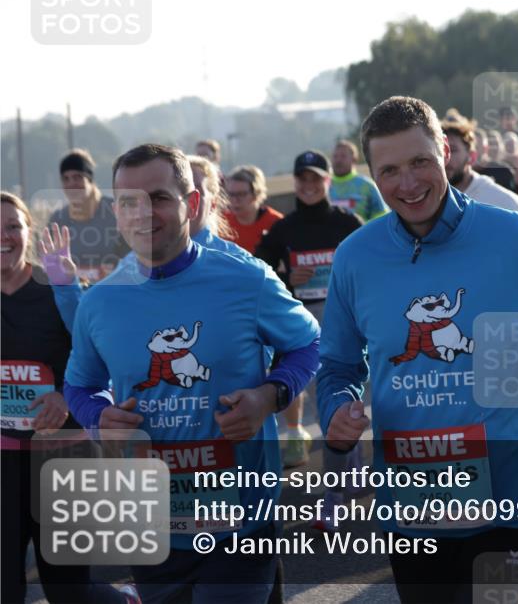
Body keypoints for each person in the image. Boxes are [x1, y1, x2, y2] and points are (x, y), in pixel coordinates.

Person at [317, 95, 518, 603]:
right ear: (371, 175)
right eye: (389, 171)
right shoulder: (355, 257)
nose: (407, 184)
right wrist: (337, 411)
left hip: (507, 487)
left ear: (446, 151)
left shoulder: (516, 236)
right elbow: (338, 365)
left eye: (420, 162)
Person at [63, 144, 320, 603]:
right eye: (128, 201)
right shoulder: (100, 301)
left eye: (159, 197)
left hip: (242, 520)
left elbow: (309, 343)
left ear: (193, 203)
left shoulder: (248, 279)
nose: (144, 213)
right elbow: (81, 385)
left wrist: (269, 396)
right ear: (116, 213)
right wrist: (98, 416)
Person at [1, 193, 140, 604]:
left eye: (13, 226)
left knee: (67, 589)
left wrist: (64, 396)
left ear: (31, 231)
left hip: (63, 454)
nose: (4, 236)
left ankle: (128, 601)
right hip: (4, 457)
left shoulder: (57, 289)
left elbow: (102, 361)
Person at [256, 150, 364, 467]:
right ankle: (294, 437)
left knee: (344, 380)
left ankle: (352, 446)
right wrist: (288, 277)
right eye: (302, 179)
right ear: (295, 182)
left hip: (341, 314)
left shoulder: (347, 223)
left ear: (327, 181)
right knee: (301, 382)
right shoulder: (285, 227)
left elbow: (368, 266)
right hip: (300, 318)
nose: (309, 186)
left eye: (315, 179)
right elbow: (260, 270)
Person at [47, 149, 128, 284]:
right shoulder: (58, 220)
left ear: (90, 179)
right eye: (65, 179)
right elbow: (49, 264)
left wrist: (114, 272)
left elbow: (135, 257)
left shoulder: (115, 211)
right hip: (73, 295)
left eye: (77, 177)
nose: (71, 184)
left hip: (113, 290)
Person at [442, 113, 518, 210]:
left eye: (453, 150)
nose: (445, 157)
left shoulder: (505, 203)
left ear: (471, 156)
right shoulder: (426, 201)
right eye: (439, 150)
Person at [223, 165, 284, 254]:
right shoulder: (222, 223)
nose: (235, 200)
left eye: (241, 194)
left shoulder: (275, 222)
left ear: (256, 194)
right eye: (231, 194)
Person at [328, 140, 389, 221]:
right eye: (335, 156)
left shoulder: (367, 186)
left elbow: (382, 218)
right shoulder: (322, 186)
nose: (338, 160)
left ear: (354, 159)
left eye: (343, 156)